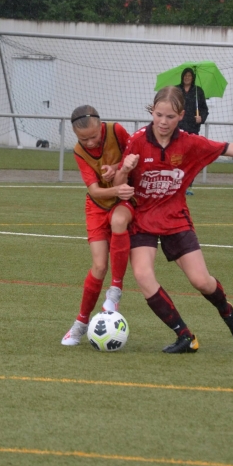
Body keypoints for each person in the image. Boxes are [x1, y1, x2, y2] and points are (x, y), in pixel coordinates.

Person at [122, 86, 233, 354]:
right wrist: (122, 171)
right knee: (143, 275)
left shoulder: (190, 143)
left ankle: (227, 311)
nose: (163, 122)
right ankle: (185, 336)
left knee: (201, 281)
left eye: (170, 116)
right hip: (142, 219)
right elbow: (119, 180)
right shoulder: (136, 142)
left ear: (181, 115)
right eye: (159, 115)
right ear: (152, 111)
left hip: (175, 218)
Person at [61, 106, 135, 346]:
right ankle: (80, 323)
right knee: (99, 265)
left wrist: (118, 168)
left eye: (94, 136)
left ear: (101, 126)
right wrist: (116, 188)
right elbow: (94, 191)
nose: (90, 142)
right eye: (84, 139)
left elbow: (136, 155)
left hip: (123, 201)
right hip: (96, 206)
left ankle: (115, 290)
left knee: (118, 221)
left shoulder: (116, 131)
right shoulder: (79, 151)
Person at [178, 67, 208, 135]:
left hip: (193, 128)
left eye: (189, 76)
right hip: (178, 127)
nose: (187, 77)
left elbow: (204, 109)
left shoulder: (198, 91)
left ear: (192, 78)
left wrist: (201, 118)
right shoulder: (176, 89)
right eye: (185, 75)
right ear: (182, 77)